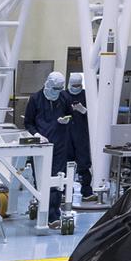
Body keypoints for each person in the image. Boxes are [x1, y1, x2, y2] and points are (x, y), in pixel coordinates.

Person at [23, 71, 74, 224]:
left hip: (60, 143)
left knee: (57, 178)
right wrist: (36, 134)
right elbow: (28, 122)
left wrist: (67, 120)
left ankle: (53, 215)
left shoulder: (64, 97)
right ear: (48, 84)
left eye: (59, 89)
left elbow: (70, 114)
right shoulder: (35, 99)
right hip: (40, 145)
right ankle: (41, 206)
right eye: (54, 89)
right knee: (41, 178)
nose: (56, 92)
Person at [65, 71, 94, 200]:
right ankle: (66, 191)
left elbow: (95, 116)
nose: (75, 88)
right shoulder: (63, 95)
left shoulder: (87, 95)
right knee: (66, 164)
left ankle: (86, 191)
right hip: (66, 134)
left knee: (84, 164)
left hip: (82, 134)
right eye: (74, 85)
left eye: (78, 85)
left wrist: (85, 111)